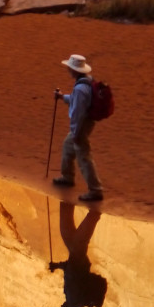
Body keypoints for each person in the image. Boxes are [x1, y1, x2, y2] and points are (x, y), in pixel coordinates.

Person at [53, 54, 103, 202]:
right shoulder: (85, 82)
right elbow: (76, 101)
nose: (68, 69)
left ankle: (95, 190)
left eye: (69, 67)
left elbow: (78, 113)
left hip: (82, 124)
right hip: (84, 123)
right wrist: (63, 97)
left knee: (83, 155)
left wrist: (75, 132)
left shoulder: (81, 88)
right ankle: (67, 176)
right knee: (68, 146)